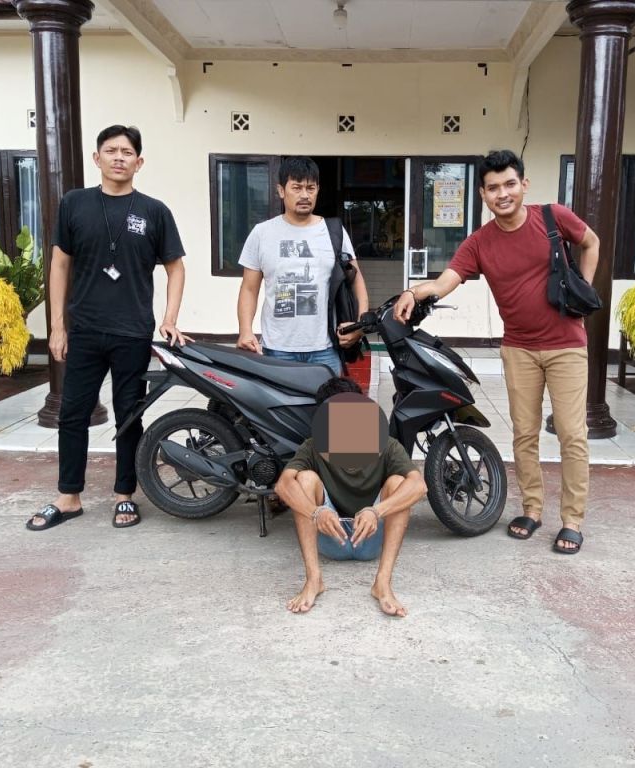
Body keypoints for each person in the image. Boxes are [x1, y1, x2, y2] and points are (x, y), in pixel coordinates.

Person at [394, 149, 600, 555]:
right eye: (493, 188)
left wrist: (584, 291)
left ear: (524, 185)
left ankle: (572, 520)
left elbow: (591, 242)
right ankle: (532, 509)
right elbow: (445, 282)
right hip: (519, 348)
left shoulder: (552, 217)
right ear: (483, 195)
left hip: (566, 346)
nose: (502, 194)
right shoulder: (480, 243)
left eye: (509, 184)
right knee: (524, 433)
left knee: (572, 434)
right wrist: (413, 292)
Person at [27, 125, 188, 531]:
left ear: (139, 162)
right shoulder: (75, 204)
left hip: (132, 331)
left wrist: (170, 318)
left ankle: (124, 495)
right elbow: (59, 265)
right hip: (84, 329)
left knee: (129, 415)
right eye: (111, 150)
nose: (119, 157)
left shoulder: (154, 211)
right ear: (96, 158)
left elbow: (176, 268)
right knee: (73, 413)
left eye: (127, 152)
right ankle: (68, 496)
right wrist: (57, 326)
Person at [274, 377, 427, 617]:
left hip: (370, 537)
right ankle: (314, 580)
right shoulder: (313, 446)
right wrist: (316, 512)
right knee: (304, 479)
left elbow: (418, 486)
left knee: (399, 483)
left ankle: (382, 583)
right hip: (331, 537)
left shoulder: (386, 445)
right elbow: (283, 485)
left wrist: (376, 511)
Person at [236, 156, 368, 375]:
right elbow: (249, 288)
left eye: (310, 188)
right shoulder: (262, 233)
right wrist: (245, 330)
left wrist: (360, 326)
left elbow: (357, 280)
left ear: (317, 190)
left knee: (333, 398)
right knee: (279, 399)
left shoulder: (334, 231)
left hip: (326, 348)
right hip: (277, 349)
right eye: (296, 188)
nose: (305, 195)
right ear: (281, 190)